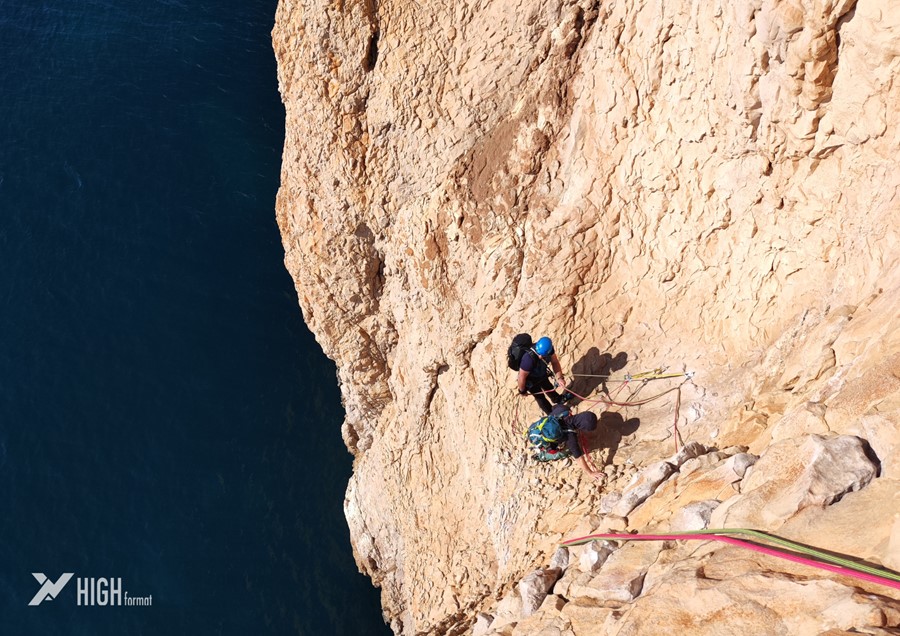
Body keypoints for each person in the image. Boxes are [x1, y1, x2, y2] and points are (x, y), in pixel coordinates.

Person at [517, 336, 571, 415]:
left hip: (541, 373)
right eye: (539, 354)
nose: (540, 357)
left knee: (548, 386)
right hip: (530, 380)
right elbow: (521, 377)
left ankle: (558, 399)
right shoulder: (528, 359)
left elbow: (555, 362)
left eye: (543, 355)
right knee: (540, 397)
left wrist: (560, 378)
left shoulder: (550, 350)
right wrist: (522, 391)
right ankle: (552, 414)